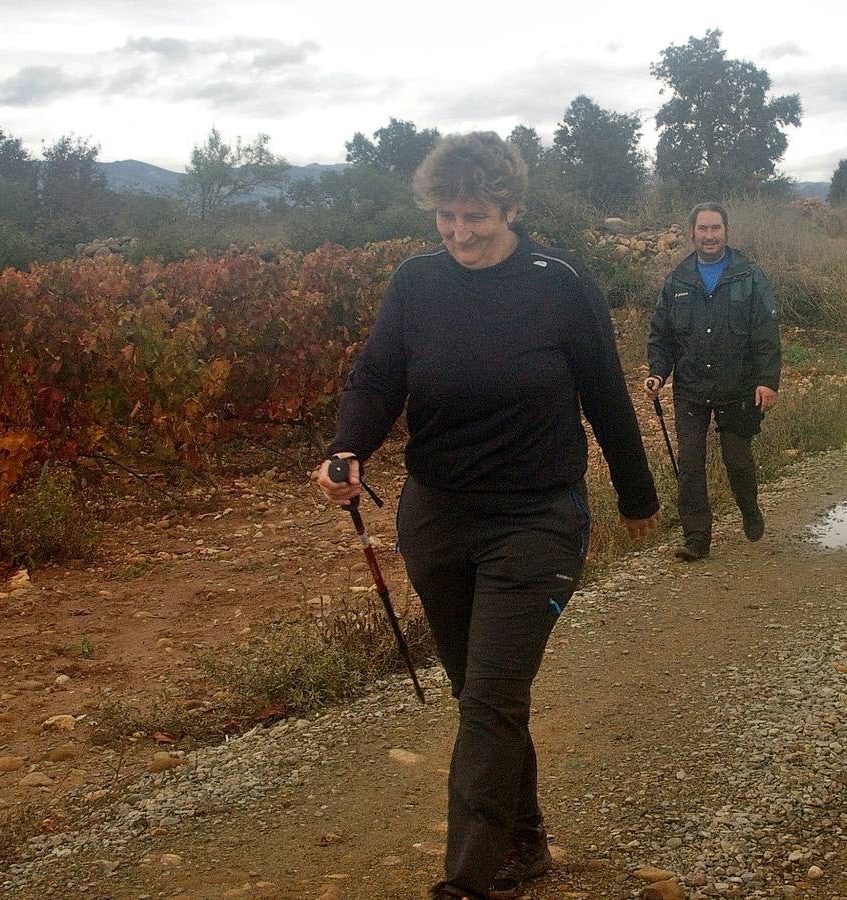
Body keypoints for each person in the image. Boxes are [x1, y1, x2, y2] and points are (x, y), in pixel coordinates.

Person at [314, 132, 660, 900]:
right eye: (447, 216)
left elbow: (606, 394)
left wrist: (637, 500)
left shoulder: (561, 282)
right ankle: (524, 842)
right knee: (482, 698)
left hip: (537, 520)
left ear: (511, 208)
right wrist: (348, 449)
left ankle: (472, 880)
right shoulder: (417, 283)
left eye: (476, 216)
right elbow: (377, 378)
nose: (461, 232)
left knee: (494, 696)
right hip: (436, 517)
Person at [645, 202, 782, 561]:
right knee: (690, 465)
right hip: (691, 389)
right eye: (703, 228)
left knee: (737, 461)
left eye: (715, 228)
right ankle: (697, 538)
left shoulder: (748, 276)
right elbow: (662, 336)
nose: (709, 235)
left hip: (737, 388)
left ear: (726, 231)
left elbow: (766, 333)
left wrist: (767, 381)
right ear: (691, 232)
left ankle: (748, 507)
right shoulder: (676, 280)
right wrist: (657, 372)